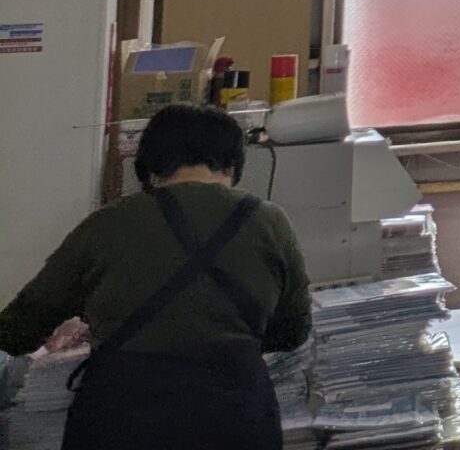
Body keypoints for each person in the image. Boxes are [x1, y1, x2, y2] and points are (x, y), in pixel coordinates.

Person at [0, 102, 311, 450]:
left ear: (147, 166)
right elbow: (292, 332)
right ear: (234, 165)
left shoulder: (108, 223)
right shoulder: (271, 222)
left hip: (123, 420)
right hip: (235, 419)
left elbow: (19, 328)